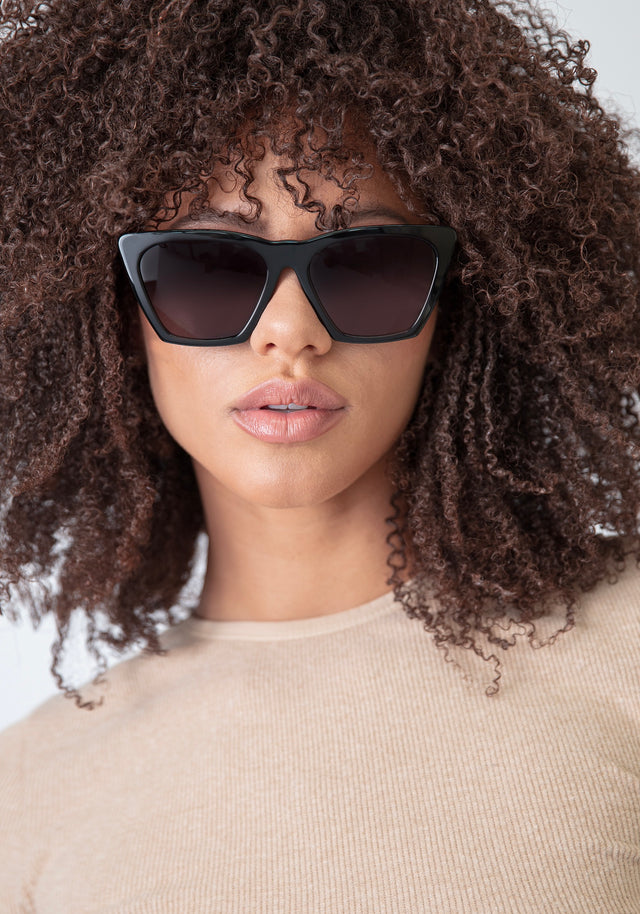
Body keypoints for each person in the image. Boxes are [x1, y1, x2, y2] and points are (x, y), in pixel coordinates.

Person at [1, 0, 639, 910]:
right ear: (111, 317)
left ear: (462, 297)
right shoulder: (31, 794)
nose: (289, 335)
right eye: (206, 271)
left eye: (368, 264)